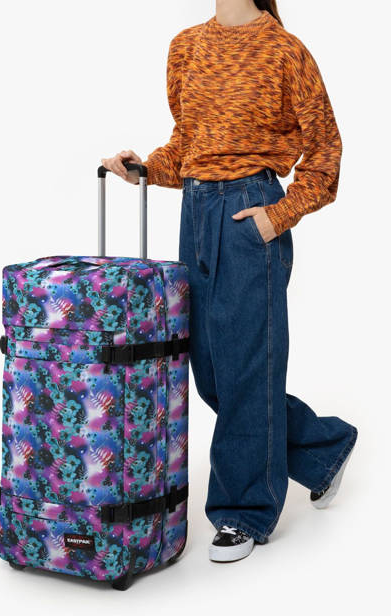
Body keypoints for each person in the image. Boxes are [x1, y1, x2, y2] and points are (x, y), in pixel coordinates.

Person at [101, 0, 357, 563]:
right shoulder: (185, 45)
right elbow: (188, 145)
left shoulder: (285, 50)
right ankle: (325, 447)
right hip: (194, 213)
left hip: (248, 212)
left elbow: (326, 151)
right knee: (212, 373)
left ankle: (243, 512)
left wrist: (280, 214)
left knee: (246, 368)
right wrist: (146, 169)